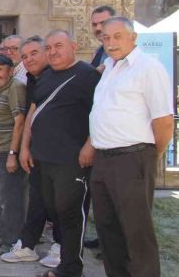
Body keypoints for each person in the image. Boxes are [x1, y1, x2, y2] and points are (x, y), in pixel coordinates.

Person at [89, 17, 173, 277]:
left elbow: (164, 121)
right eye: (105, 37)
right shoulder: (109, 69)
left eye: (117, 36)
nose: (111, 43)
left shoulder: (149, 68)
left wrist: (149, 155)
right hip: (103, 160)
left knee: (136, 233)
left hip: (132, 158)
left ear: (133, 37)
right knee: (107, 229)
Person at [21, 30, 100, 277]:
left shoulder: (87, 76)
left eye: (59, 46)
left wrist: (90, 144)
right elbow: (32, 113)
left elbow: (101, 112)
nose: (53, 52)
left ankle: (71, 268)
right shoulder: (45, 78)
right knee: (54, 211)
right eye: (50, 48)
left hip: (71, 160)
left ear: (73, 46)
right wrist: (24, 147)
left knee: (70, 213)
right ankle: (64, 261)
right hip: (43, 158)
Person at [3, 36, 61, 268]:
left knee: (59, 202)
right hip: (37, 150)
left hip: (59, 152)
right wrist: (23, 149)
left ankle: (60, 245)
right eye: (24, 56)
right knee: (38, 200)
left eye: (33, 53)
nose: (28, 59)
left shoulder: (57, 77)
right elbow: (30, 116)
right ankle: (27, 245)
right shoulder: (32, 78)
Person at [0, 55, 27, 258]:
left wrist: (12, 154)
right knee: (1, 197)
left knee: (11, 201)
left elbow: (19, 122)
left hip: (9, 153)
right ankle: (6, 239)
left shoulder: (15, 88)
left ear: (10, 70)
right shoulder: (0, 88)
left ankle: (12, 242)